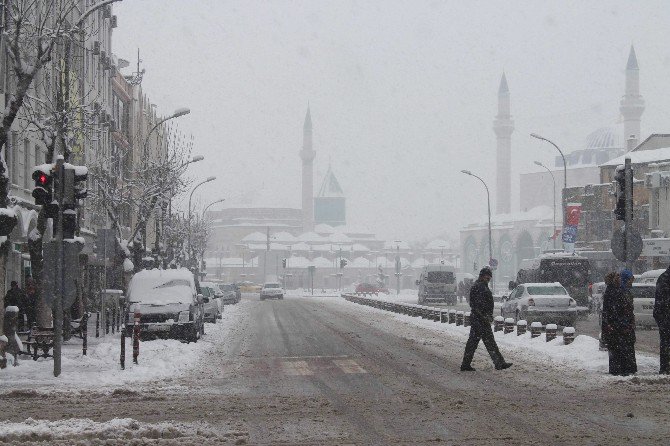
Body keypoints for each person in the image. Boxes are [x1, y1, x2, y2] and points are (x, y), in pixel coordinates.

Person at [460, 266, 512, 372]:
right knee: (482, 342)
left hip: (480, 319)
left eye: (489, 276)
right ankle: (498, 363)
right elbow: (476, 304)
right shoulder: (479, 287)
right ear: (482, 276)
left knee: (481, 342)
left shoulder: (481, 286)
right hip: (479, 319)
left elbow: (481, 304)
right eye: (487, 276)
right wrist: (484, 316)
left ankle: (498, 363)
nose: (488, 278)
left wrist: (486, 315)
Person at [608, 269, 638, 376]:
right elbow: (618, 311)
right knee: (623, 349)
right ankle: (625, 370)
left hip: (626, 327)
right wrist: (624, 324)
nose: (631, 282)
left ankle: (628, 369)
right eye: (630, 280)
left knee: (627, 348)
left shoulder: (626, 292)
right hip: (622, 328)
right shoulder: (619, 293)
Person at [600, 271, 620, 374]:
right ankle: (615, 370)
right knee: (614, 347)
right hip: (613, 324)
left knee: (613, 348)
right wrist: (610, 323)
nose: (619, 279)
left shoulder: (611, 290)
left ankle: (614, 369)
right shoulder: (612, 291)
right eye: (617, 277)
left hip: (611, 324)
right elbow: (610, 309)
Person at [653, 265, 670, 375]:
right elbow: (661, 302)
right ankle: (665, 368)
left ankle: (665, 368)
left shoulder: (663, 278)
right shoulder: (664, 278)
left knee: (665, 344)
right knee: (666, 344)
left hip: (664, 318)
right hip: (666, 318)